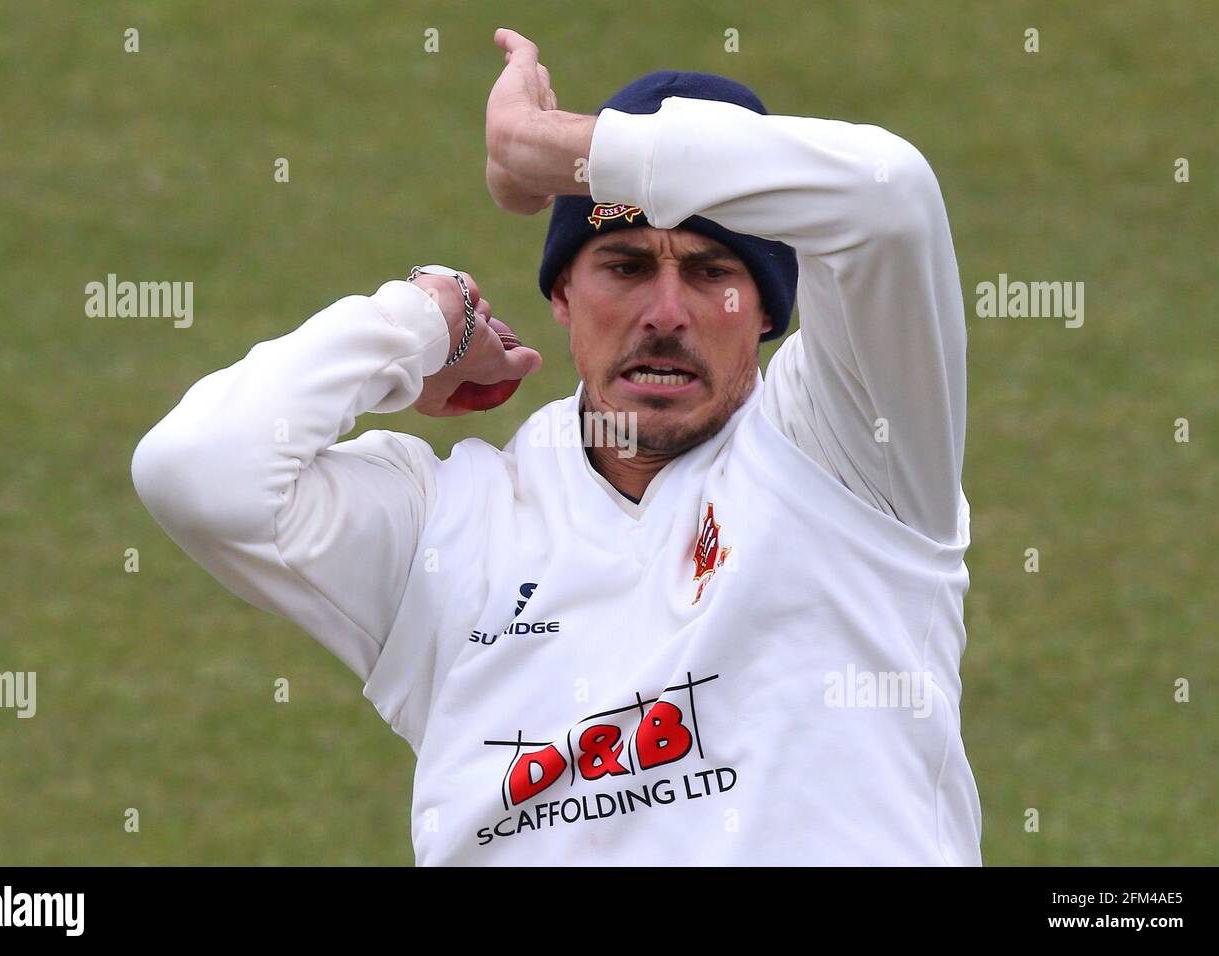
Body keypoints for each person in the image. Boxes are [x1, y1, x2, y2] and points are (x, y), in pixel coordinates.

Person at [132, 28, 980, 865]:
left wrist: (559, 150)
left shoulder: (850, 454)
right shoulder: (452, 529)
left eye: (712, 272)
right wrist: (423, 318)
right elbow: (200, 474)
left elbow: (887, 194)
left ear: (766, 313)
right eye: (625, 265)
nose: (667, 312)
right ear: (563, 297)